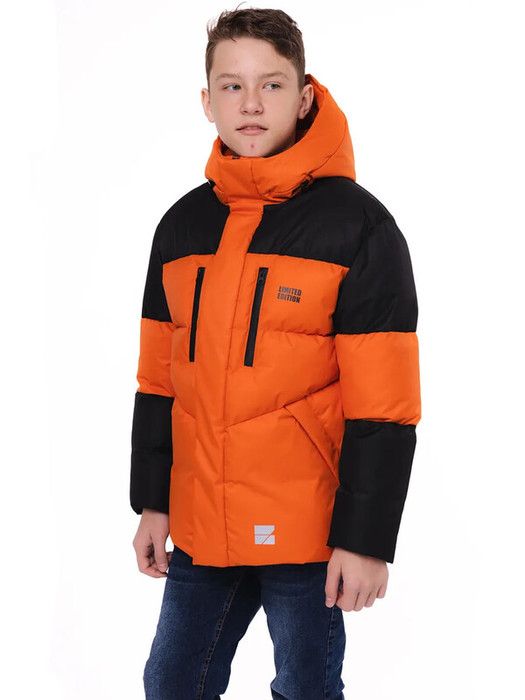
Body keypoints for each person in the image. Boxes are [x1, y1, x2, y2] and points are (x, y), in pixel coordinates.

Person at [130, 7, 421, 699]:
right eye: (231, 86)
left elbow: (384, 406)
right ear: (207, 101)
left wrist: (365, 538)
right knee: (171, 684)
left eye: (272, 84)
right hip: (203, 525)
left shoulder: (358, 226)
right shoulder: (182, 226)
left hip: (309, 533)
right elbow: (159, 381)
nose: (251, 104)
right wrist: (154, 503)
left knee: (305, 689)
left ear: (305, 96)